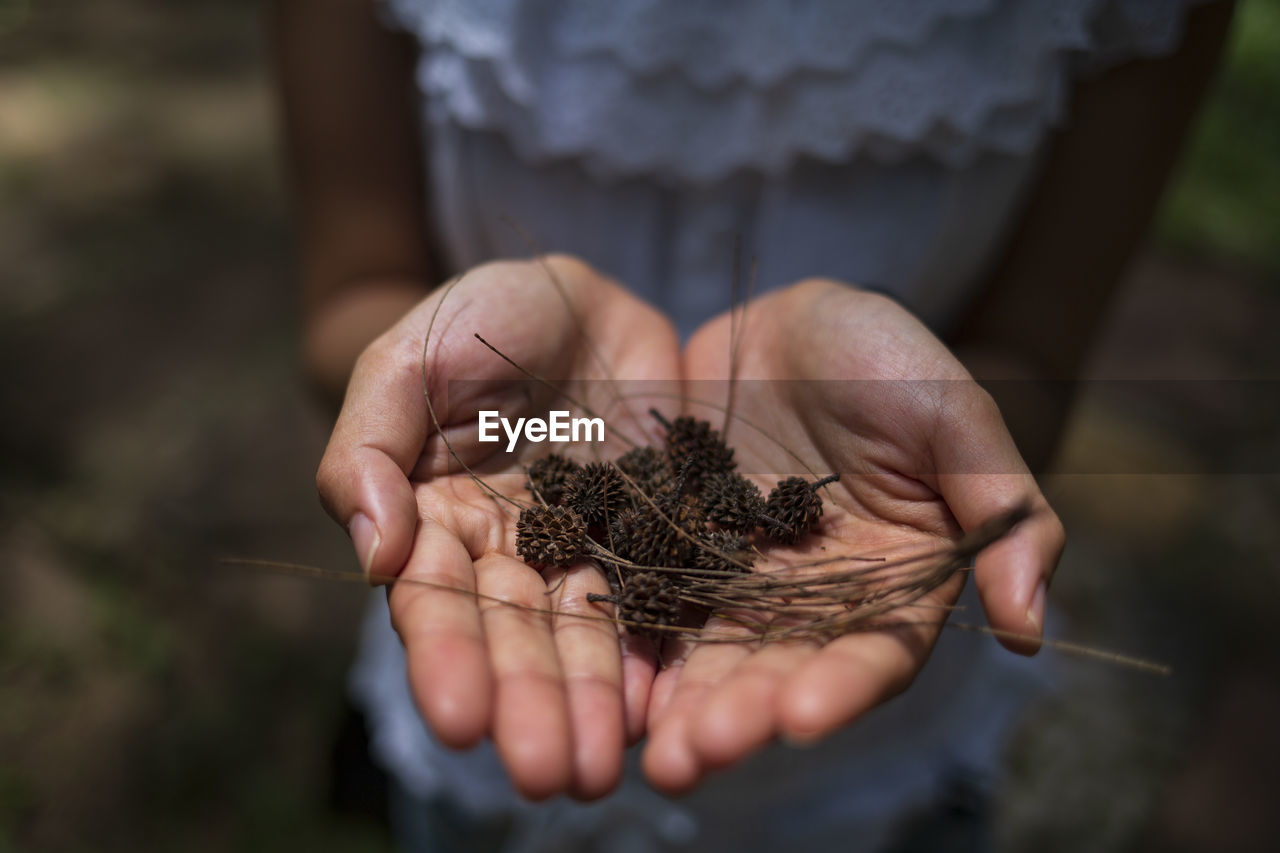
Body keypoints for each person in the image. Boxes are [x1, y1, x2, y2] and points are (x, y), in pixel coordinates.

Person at [273, 1, 1232, 849]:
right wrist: (497, 412)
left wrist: (950, 423)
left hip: (883, 763)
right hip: (491, 730)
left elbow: (1032, 363)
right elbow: (352, 296)